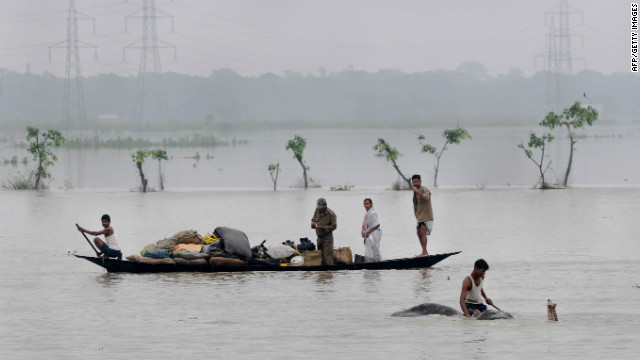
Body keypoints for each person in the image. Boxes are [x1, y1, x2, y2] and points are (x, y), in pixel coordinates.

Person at [412, 174, 433, 257]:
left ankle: (424, 252)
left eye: (417, 182)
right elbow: (415, 203)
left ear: (420, 182)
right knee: (418, 233)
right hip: (420, 216)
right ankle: (424, 251)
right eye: (414, 182)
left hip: (427, 216)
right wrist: (415, 213)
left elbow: (426, 198)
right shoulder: (414, 191)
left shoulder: (424, 189)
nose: (415, 183)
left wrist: (417, 192)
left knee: (423, 232)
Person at [311, 197, 337, 265]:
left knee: (327, 257)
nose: (320, 209)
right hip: (319, 237)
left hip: (327, 238)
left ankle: (329, 273)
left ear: (325, 206)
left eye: (321, 207)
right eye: (319, 207)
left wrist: (324, 227)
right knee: (320, 257)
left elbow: (334, 226)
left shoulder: (331, 214)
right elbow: (313, 220)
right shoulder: (317, 210)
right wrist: (313, 224)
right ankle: (322, 275)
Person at [361, 198, 382, 262]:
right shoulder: (368, 213)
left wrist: (369, 232)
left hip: (374, 233)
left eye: (368, 204)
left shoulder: (372, 213)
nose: (366, 205)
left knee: (374, 248)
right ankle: (371, 261)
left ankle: (376, 262)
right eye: (365, 204)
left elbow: (377, 225)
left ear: (371, 204)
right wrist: (366, 235)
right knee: (370, 248)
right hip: (370, 234)